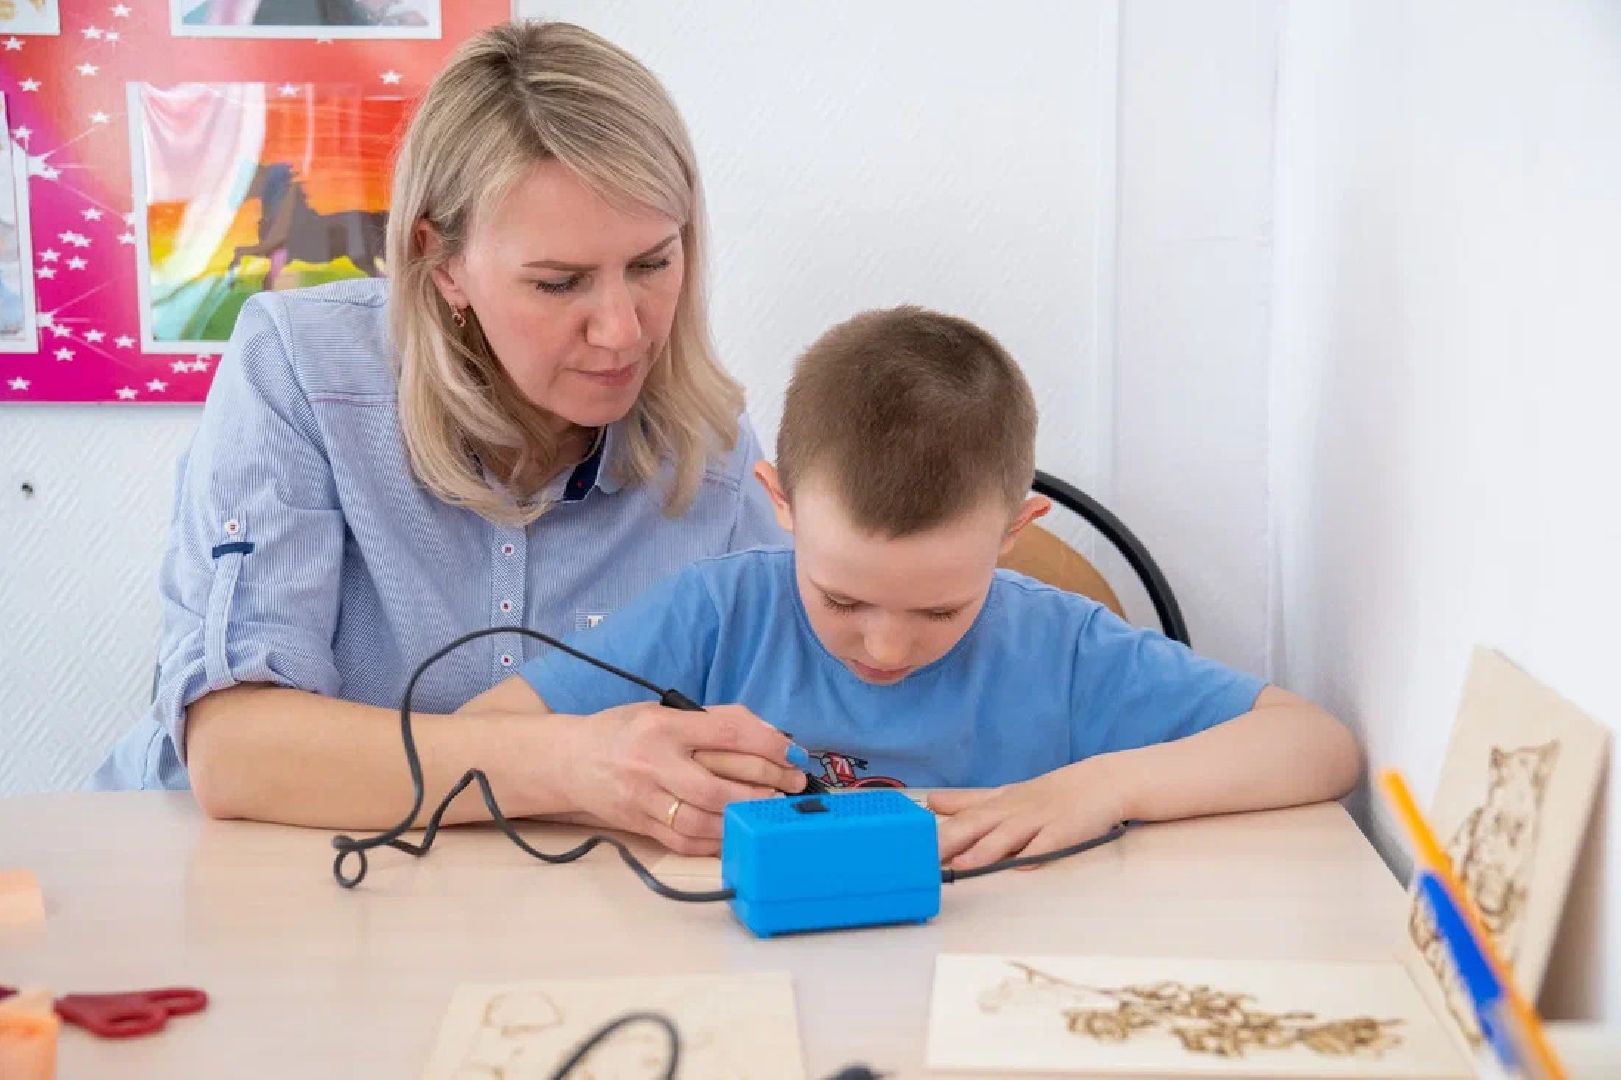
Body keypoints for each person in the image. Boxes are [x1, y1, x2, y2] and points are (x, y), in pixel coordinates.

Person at [87, 21, 811, 843]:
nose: (621, 331)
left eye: (651, 264)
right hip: (218, 876)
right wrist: (574, 762)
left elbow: (817, 696)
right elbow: (234, 750)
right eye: (559, 282)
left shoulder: (710, 447)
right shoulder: (298, 365)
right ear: (443, 264)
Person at [469, 306, 1362, 867]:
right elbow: (478, 742)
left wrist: (1100, 788)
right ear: (778, 503)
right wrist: (611, 774)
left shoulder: (1061, 649)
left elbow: (1315, 745)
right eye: (842, 599)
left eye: (940, 608)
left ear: (1013, 535)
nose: (886, 648)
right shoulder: (713, 616)